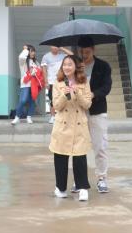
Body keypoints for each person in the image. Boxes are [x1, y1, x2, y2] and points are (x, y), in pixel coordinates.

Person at [50, 55, 93, 201]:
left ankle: (83, 188)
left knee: (80, 157)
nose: (67, 67)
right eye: (64, 64)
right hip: (62, 125)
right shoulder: (57, 83)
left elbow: (87, 104)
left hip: (79, 125)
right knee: (60, 157)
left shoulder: (84, 82)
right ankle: (60, 188)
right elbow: (56, 106)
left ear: (76, 66)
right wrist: (65, 94)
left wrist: (78, 93)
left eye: (70, 64)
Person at [79, 37, 112, 193]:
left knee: (100, 147)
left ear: (93, 50)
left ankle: (102, 178)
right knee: (79, 148)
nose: (85, 55)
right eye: (82, 52)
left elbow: (106, 87)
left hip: (98, 111)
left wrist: (93, 94)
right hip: (79, 111)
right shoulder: (76, 66)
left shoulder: (103, 66)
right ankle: (80, 180)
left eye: (87, 52)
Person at [40, 45, 72, 124]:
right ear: (50, 47)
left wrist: (62, 48)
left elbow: (72, 55)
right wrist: (46, 82)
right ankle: (52, 116)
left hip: (62, 81)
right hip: (51, 82)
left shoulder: (63, 56)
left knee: (66, 97)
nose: (55, 47)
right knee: (52, 99)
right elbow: (44, 70)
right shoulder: (46, 56)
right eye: (53, 46)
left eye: (56, 46)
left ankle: (64, 115)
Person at [13, 45, 43, 124]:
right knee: (23, 100)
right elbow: (21, 56)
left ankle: (29, 117)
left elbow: (40, 71)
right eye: (31, 51)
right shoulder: (23, 61)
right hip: (25, 84)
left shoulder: (36, 62)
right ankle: (17, 117)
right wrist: (26, 49)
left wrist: (36, 72)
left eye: (34, 51)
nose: (33, 53)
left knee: (32, 101)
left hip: (34, 84)